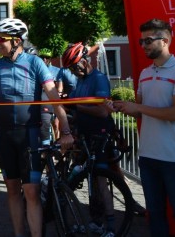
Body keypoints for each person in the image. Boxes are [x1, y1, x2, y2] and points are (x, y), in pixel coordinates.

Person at [0, 18, 73, 237]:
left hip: (29, 135)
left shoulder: (35, 63)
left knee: (31, 192)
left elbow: (54, 98)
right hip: (4, 135)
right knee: (12, 191)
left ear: (16, 41)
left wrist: (66, 131)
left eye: (1, 39)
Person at [112, 18, 175, 237]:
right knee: (156, 215)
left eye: (148, 40)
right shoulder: (144, 73)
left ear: (165, 40)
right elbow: (139, 111)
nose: (144, 46)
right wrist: (119, 107)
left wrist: (138, 106)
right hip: (148, 157)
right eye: (142, 41)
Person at [61, 43, 118, 236]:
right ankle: (96, 221)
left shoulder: (98, 79)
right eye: (70, 69)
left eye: (74, 67)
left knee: (101, 181)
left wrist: (76, 107)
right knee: (91, 181)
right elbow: (74, 104)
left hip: (99, 134)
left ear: (84, 62)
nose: (73, 72)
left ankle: (110, 226)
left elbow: (102, 111)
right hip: (85, 134)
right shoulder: (81, 80)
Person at [38, 48, 61, 144]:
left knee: (56, 125)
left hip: (53, 99)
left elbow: (59, 87)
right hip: (43, 101)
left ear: (50, 59)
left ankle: (58, 146)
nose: (44, 60)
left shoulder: (56, 71)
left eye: (46, 57)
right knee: (44, 125)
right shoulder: (37, 70)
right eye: (42, 57)